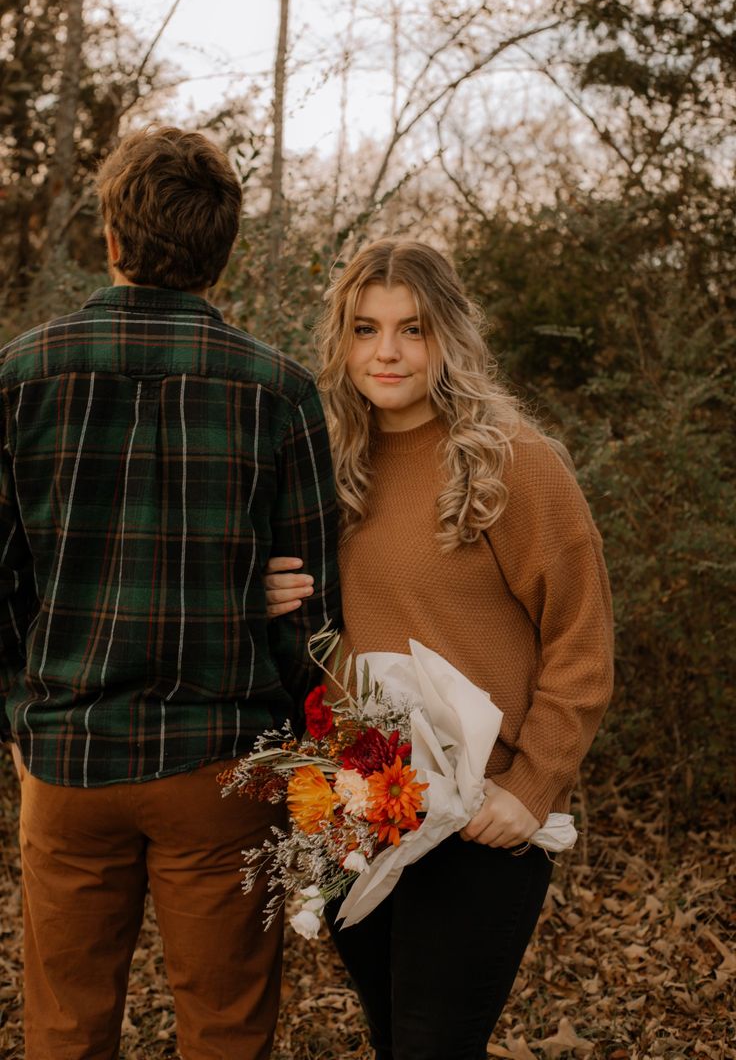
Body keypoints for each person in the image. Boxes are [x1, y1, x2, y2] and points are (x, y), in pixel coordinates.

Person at [0, 126, 341, 1060]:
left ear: (111, 235)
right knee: (227, 1030)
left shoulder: (22, 375)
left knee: (65, 1028)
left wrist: (23, 714)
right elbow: (312, 611)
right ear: (222, 251)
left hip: (68, 758)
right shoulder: (279, 392)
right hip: (220, 765)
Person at [264, 238, 614, 1060]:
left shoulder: (513, 462)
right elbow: (325, 637)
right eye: (365, 328)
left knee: (432, 1044)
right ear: (340, 340)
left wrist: (531, 786)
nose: (385, 352)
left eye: (412, 329)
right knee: (395, 1036)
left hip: (482, 819)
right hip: (364, 808)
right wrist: (275, 598)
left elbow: (583, 637)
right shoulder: (326, 466)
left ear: (449, 335)